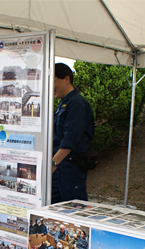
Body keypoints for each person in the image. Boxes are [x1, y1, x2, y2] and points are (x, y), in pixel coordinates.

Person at [51, 63, 94, 204]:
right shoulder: (64, 103)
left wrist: (53, 164)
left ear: (66, 79)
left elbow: (70, 139)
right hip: (59, 169)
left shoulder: (77, 104)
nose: (51, 85)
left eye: (54, 80)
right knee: (54, 211)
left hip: (70, 171)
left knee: (74, 212)